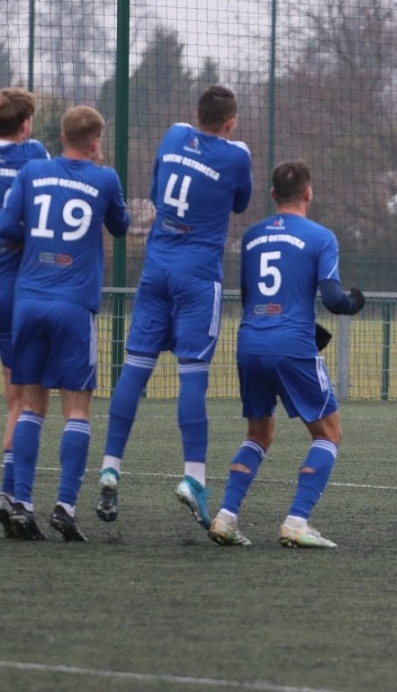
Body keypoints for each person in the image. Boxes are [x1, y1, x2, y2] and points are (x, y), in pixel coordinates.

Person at [96, 85, 253, 530]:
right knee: (191, 376)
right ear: (229, 122)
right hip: (198, 278)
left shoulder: (172, 136)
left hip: (156, 269)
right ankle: (194, 478)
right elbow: (239, 202)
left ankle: (110, 466)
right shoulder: (236, 155)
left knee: (135, 369)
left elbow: (156, 189)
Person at [207, 160, 364, 548]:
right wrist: (354, 302)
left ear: (273, 194)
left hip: (249, 341)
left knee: (258, 433)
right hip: (291, 344)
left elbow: (251, 297)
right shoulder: (321, 237)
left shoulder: (253, 236)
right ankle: (296, 521)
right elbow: (332, 299)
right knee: (328, 433)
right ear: (309, 193)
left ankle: (225, 517)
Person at [0, 105, 129, 540]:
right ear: (95, 142)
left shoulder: (33, 170)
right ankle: (65, 505)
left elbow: (4, 223)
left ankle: (21, 502)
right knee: (77, 408)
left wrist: (35, 239)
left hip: (29, 301)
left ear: (60, 136)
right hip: (74, 305)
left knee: (32, 405)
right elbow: (121, 225)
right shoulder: (105, 177)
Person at [0, 87, 49, 537]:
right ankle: (10, 491)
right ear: (25, 125)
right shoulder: (34, 157)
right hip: (15, 289)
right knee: (24, 400)